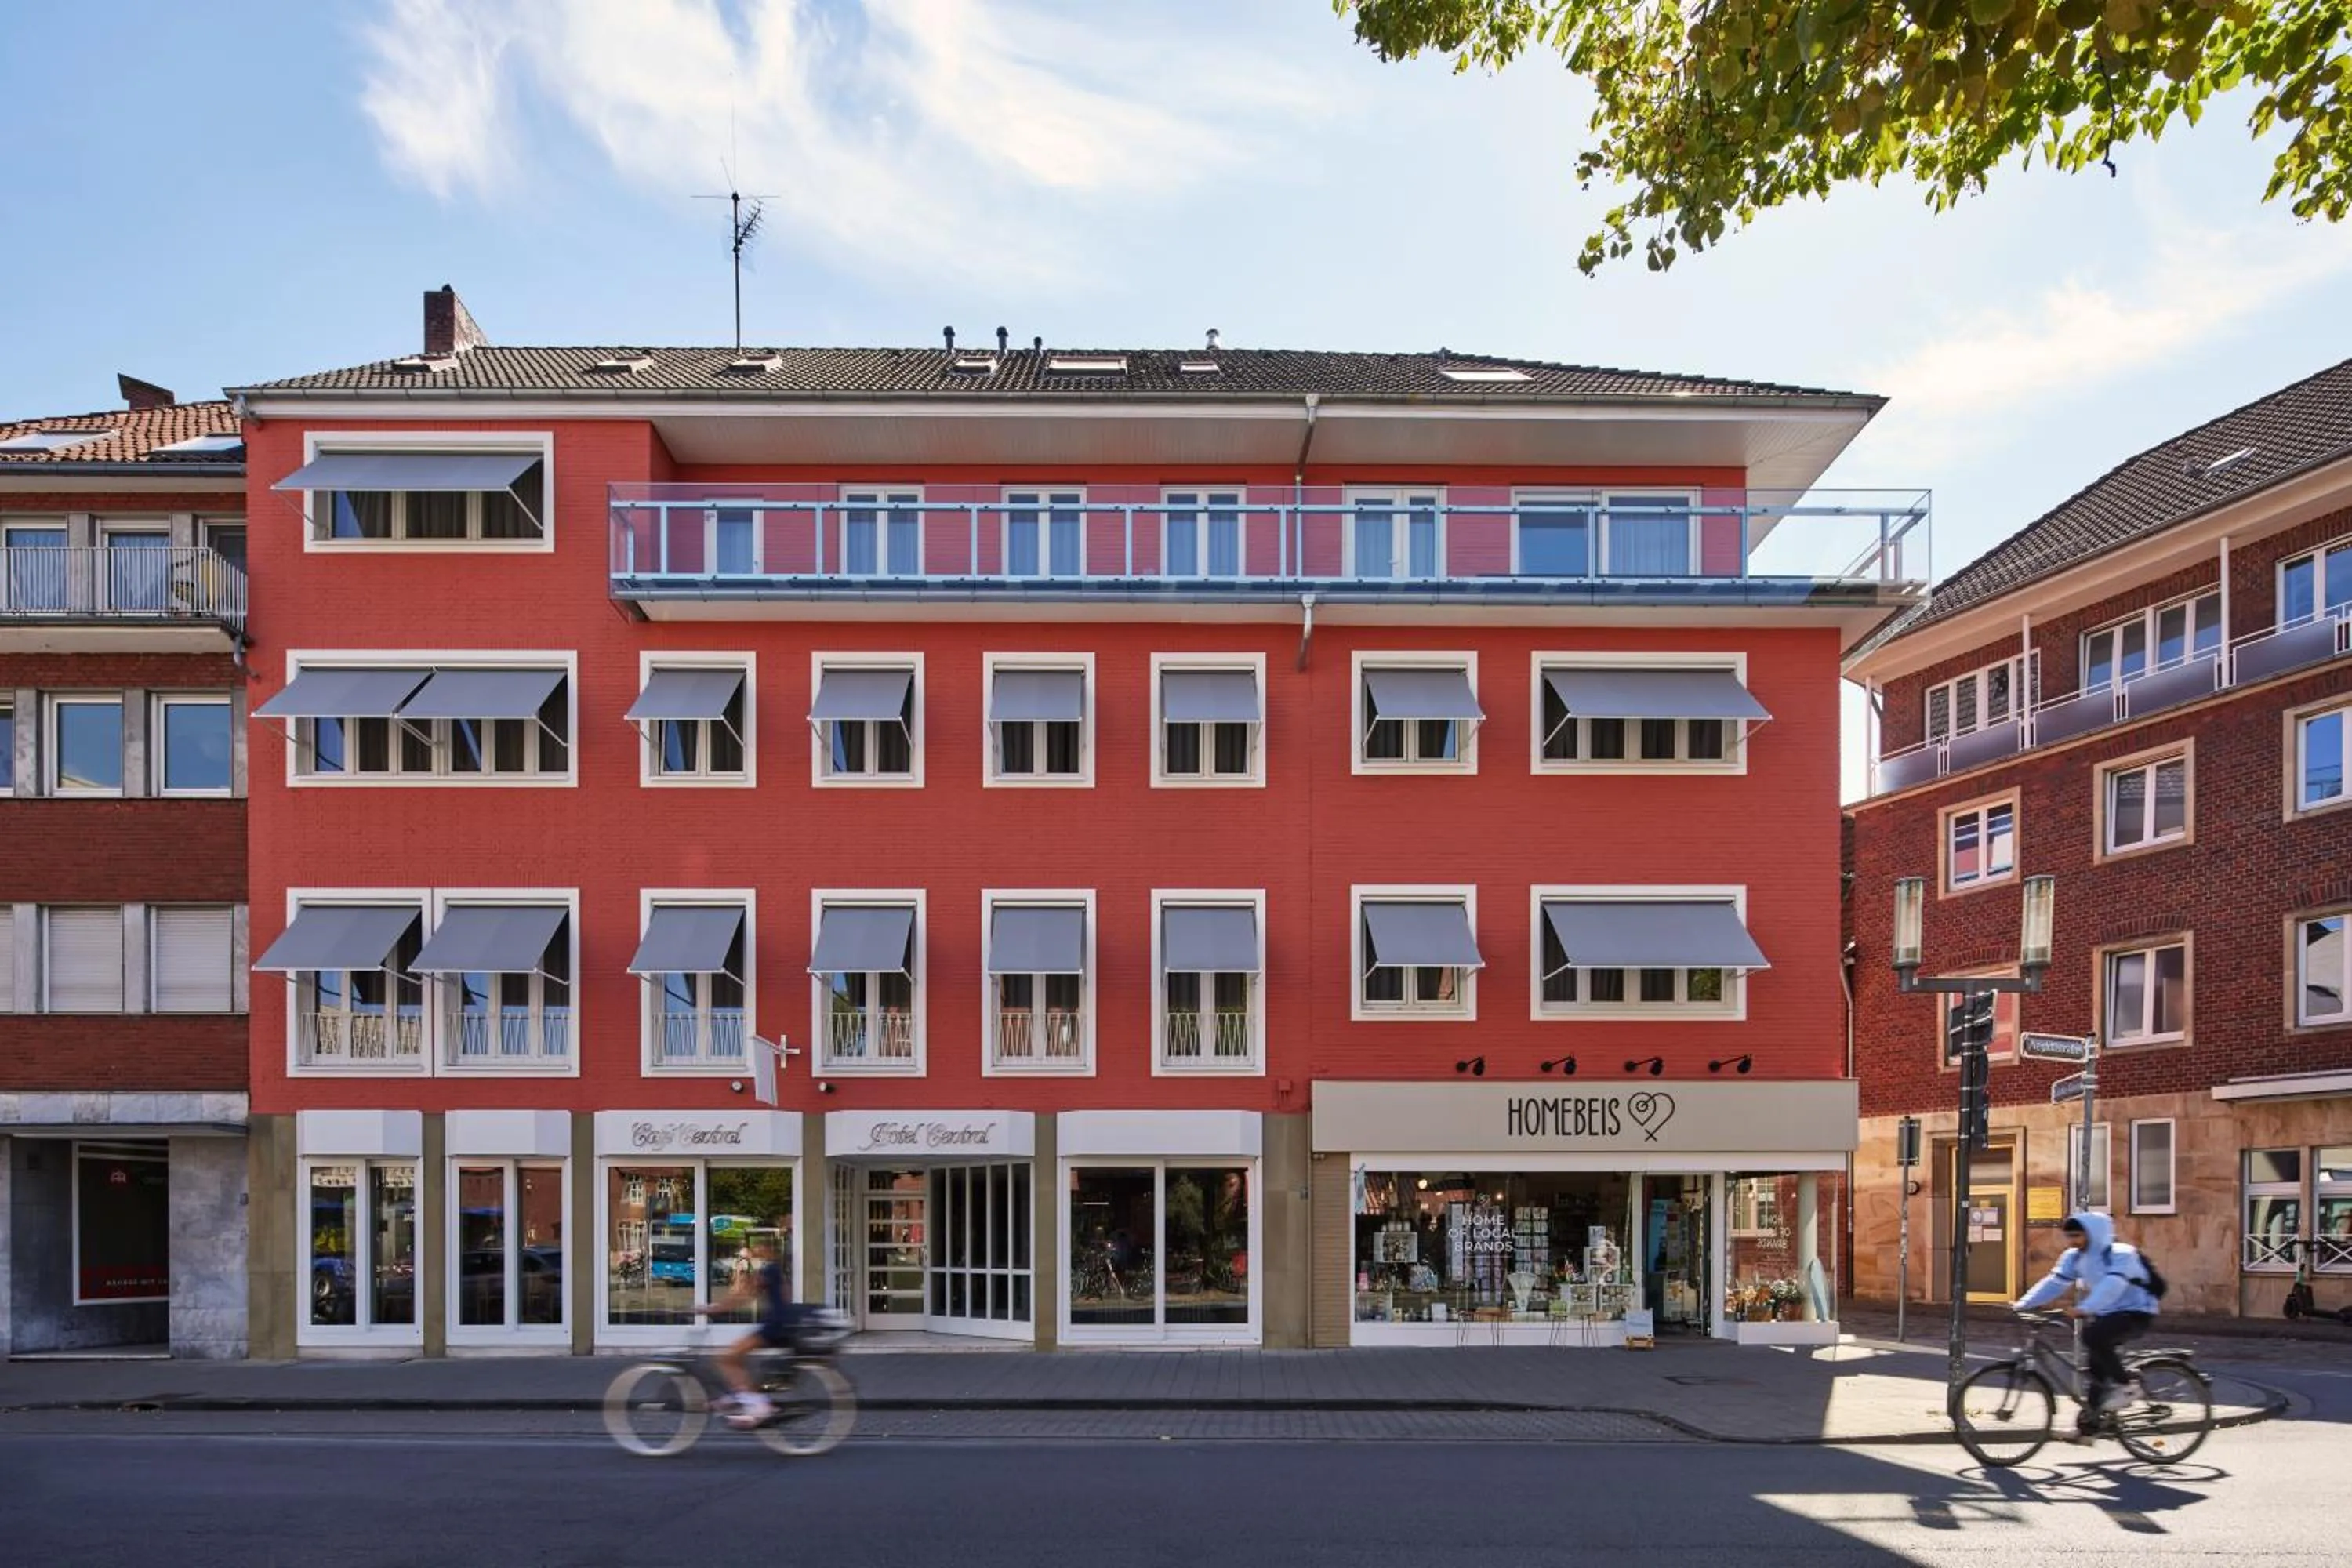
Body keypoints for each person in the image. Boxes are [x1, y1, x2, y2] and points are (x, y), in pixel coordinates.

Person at [2013, 1211, 2160, 1435]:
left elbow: (2113, 1284)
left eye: (2078, 1236)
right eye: (2070, 1236)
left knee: (2093, 1336)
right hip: (2107, 1314)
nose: (2073, 1241)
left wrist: (2085, 1308)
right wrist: (2022, 1304)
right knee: (2096, 1369)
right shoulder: (2074, 1257)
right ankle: (2089, 1429)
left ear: (2094, 1234)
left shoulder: (2120, 1254)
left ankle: (2128, 1388)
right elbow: (2055, 1282)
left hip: (2136, 1311)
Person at [691, 1233, 800, 1428]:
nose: (755, 1251)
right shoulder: (777, 1270)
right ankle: (738, 1395)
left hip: (774, 1326)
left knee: (726, 1358)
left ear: (769, 1250)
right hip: (778, 1323)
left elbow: (744, 1297)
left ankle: (759, 1407)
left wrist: (712, 1309)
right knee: (737, 1358)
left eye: (759, 1247)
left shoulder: (770, 1270)